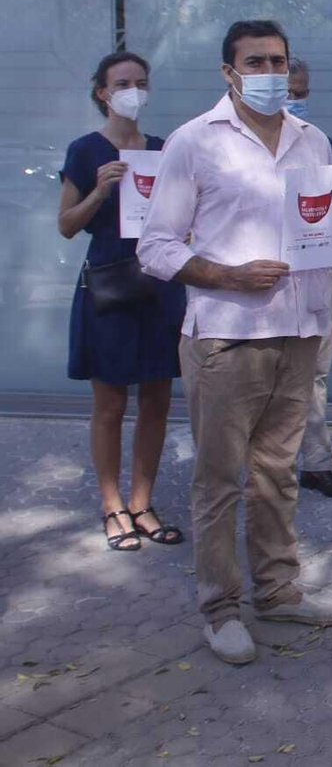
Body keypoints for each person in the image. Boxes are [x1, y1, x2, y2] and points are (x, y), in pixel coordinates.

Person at [139, 20, 332, 665]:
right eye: (256, 61)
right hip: (227, 336)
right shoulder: (194, 142)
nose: (271, 72)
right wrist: (225, 275)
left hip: (299, 331)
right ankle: (219, 608)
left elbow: (321, 232)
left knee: (277, 476)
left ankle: (278, 593)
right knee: (219, 482)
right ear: (229, 72)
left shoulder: (312, 140)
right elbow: (155, 247)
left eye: (279, 60)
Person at [58, 52, 187, 551]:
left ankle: (142, 502)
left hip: (158, 286)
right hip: (110, 287)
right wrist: (100, 189)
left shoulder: (161, 150)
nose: (133, 89)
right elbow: (67, 225)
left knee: (156, 400)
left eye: (141, 81)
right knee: (110, 402)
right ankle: (112, 506)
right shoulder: (85, 150)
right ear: (103, 92)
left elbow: (178, 219)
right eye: (122, 82)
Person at [284, 58, 332, 499]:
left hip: (317, 275)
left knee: (314, 373)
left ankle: (315, 463)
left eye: (301, 92)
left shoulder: (326, 147)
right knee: (261, 376)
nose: (294, 100)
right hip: (261, 279)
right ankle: (263, 466)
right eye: (287, 90)